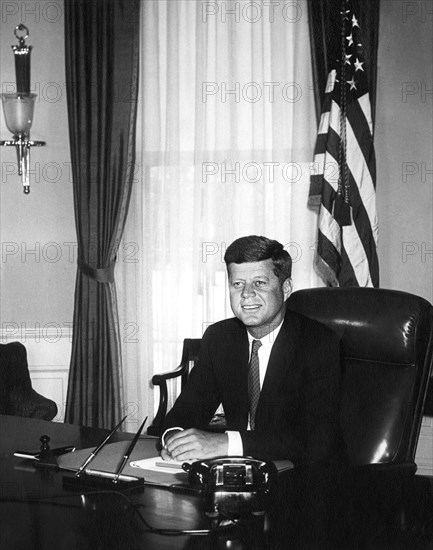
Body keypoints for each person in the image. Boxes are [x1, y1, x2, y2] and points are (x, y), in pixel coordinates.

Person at [160, 235, 343, 465]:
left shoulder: (319, 343)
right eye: (238, 284)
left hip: (302, 479)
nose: (246, 294)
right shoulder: (220, 338)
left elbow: (315, 440)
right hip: (240, 474)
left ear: (286, 288)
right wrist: (175, 438)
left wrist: (227, 443)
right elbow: (188, 409)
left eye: (259, 283)